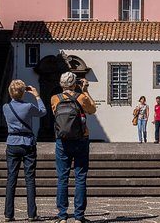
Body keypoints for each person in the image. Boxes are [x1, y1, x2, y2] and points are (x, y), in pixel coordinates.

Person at [50, 72, 97, 223]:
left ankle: (62, 216)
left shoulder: (55, 98)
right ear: (74, 84)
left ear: (61, 84)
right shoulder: (81, 97)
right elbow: (92, 110)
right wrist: (85, 90)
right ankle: (79, 216)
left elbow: (55, 114)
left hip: (62, 141)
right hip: (81, 139)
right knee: (80, 177)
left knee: (62, 177)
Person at [3, 79, 46, 222]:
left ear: (10, 92)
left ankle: (9, 215)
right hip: (27, 143)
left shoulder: (6, 107)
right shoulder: (28, 106)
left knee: (11, 179)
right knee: (29, 179)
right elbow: (43, 112)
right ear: (23, 93)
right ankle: (31, 214)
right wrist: (37, 95)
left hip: (12, 143)